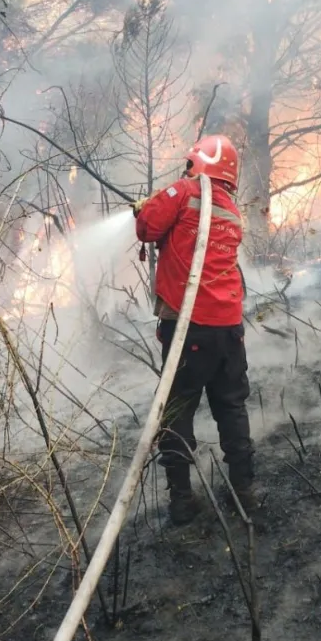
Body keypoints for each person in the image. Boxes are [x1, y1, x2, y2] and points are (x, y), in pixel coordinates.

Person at [134, 134, 255, 526]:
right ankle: (245, 491)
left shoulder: (184, 191)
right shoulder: (233, 212)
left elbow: (148, 227)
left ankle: (183, 502)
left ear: (197, 164)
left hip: (189, 327)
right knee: (232, 405)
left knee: (178, 408)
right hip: (229, 328)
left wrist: (144, 206)